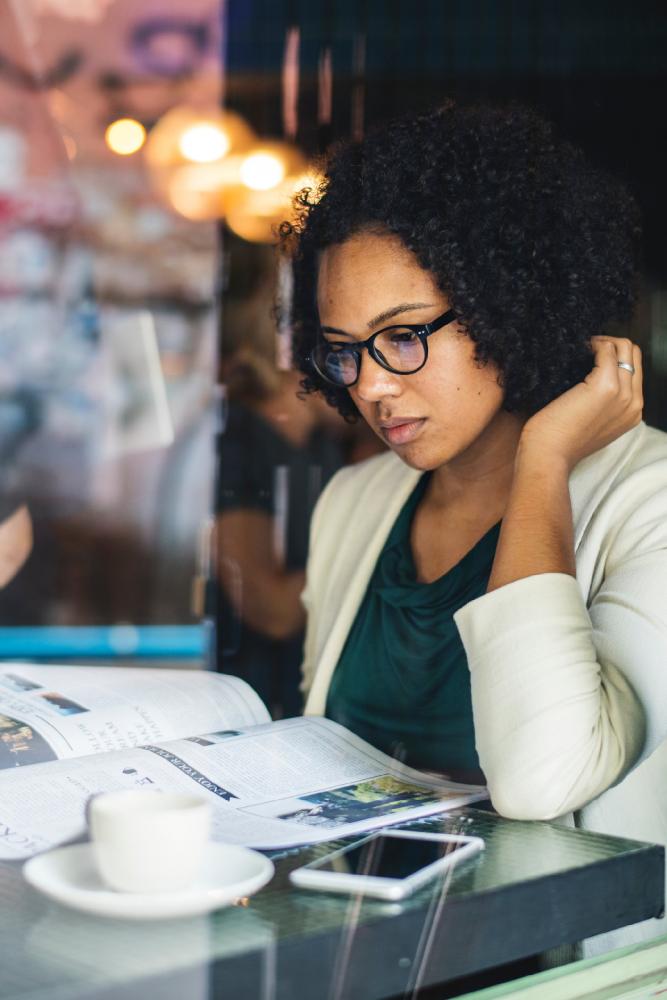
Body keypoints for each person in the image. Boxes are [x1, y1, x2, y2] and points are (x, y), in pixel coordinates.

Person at [281, 103, 667, 954]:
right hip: (344, 949)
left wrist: (543, 462)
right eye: (344, 349)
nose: (370, 387)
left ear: (509, 304)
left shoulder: (653, 503)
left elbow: (542, 776)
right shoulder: (354, 502)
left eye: (405, 336)